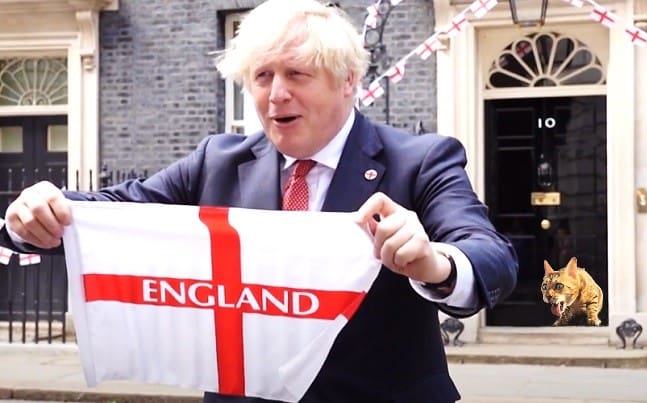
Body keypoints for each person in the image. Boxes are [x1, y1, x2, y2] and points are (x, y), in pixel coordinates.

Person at [0, 0, 518, 402]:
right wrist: (34, 215)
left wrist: (435, 262)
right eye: (262, 76)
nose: (276, 95)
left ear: (348, 82)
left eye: (296, 74)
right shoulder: (216, 162)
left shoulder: (420, 160)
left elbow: (491, 256)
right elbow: (113, 211)